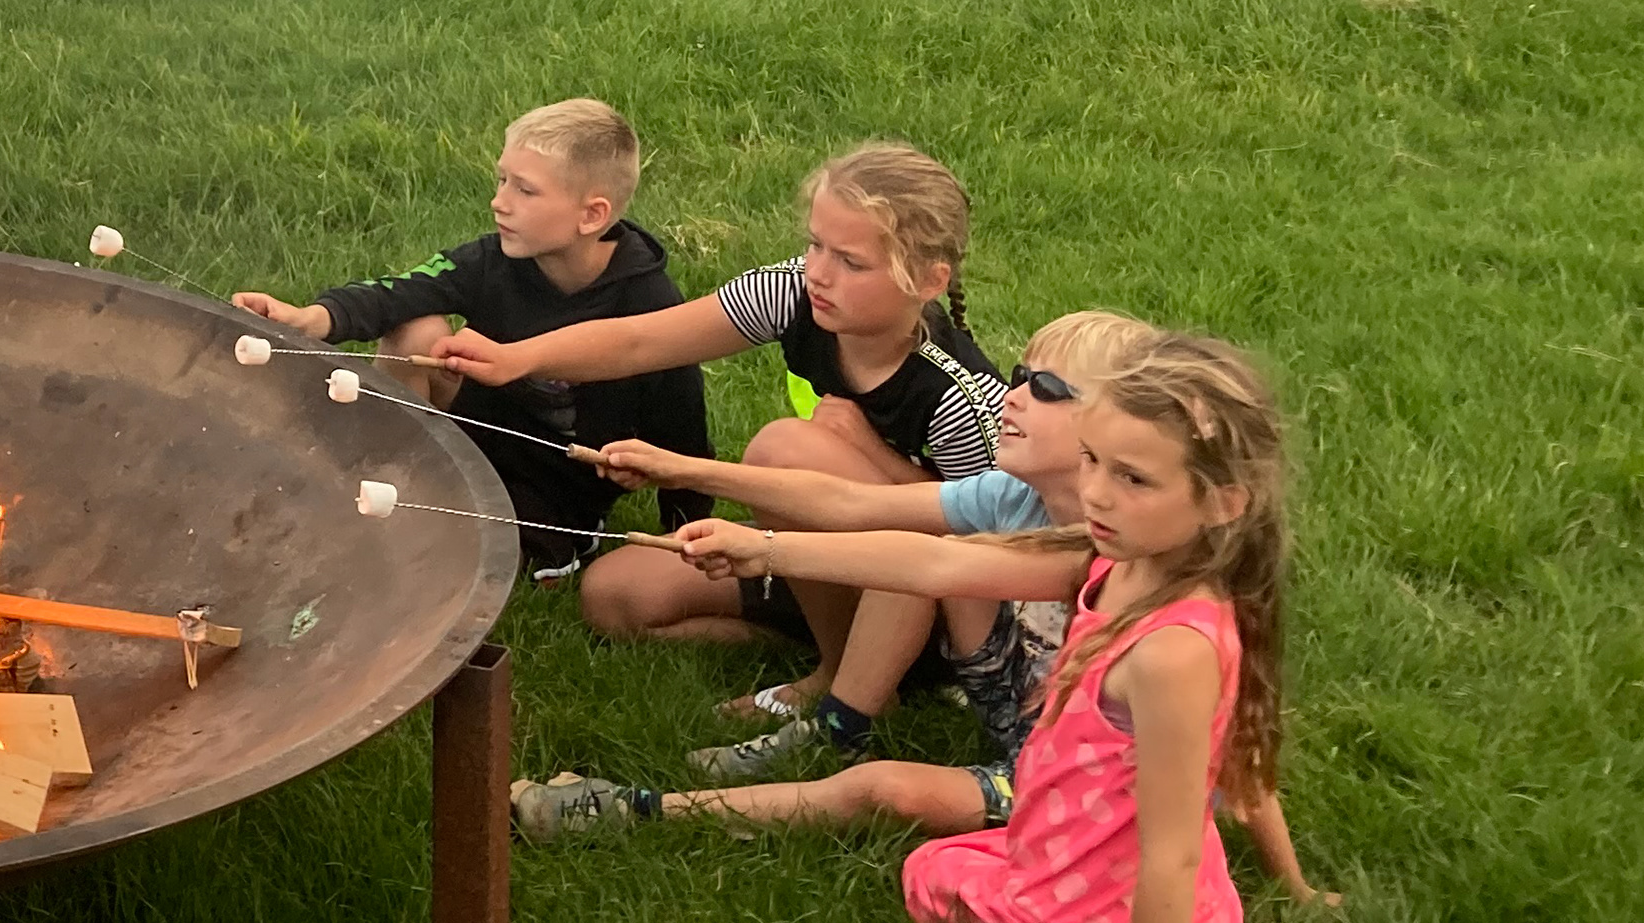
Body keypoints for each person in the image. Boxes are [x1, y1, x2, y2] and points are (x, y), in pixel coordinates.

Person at [673, 338, 1358, 923]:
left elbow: (1171, 851)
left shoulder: (1174, 650)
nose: (1096, 492)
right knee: (941, 870)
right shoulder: (1120, 558)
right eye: (1095, 461)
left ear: (1226, 500)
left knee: (944, 893)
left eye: (1133, 478)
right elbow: (939, 567)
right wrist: (764, 546)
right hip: (1110, 875)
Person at [514, 315, 1206, 837]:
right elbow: (853, 504)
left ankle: (638, 810)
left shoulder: (1107, 545)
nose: (1014, 396)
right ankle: (839, 712)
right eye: (1020, 376)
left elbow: (934, 562)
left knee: (881, 789)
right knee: (927, 536)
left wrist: (769, 551)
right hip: (1017, 708)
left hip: (1071, 782)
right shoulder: (1014, 496)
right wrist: (681, 468)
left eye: (1046, 389)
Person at [439, 141, 1004, 700]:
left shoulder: (959, 396)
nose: (820, 274)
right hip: (818, 551)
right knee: (615, 595)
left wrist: (869, 452)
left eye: (851, 262)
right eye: (815, 245)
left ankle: (845, 678)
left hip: (923, 598)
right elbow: (642, 339)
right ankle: (822, 631)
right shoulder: (796, 289)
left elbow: (996, 534)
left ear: (929, 281)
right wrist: (519, 358)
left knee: (785, 449)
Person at [235, 99, 705, 576]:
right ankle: (393, 475)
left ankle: (555, 540)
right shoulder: (494, 259)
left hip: (560, 481)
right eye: (503, 180)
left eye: (525, 190)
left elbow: (682, 426)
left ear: (591, 215)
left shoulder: (650, 304)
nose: (500, 201)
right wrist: (312, 319)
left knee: (473, 561)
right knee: (416, 329)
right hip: (479, 430)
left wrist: (684, 530)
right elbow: (401, 291)